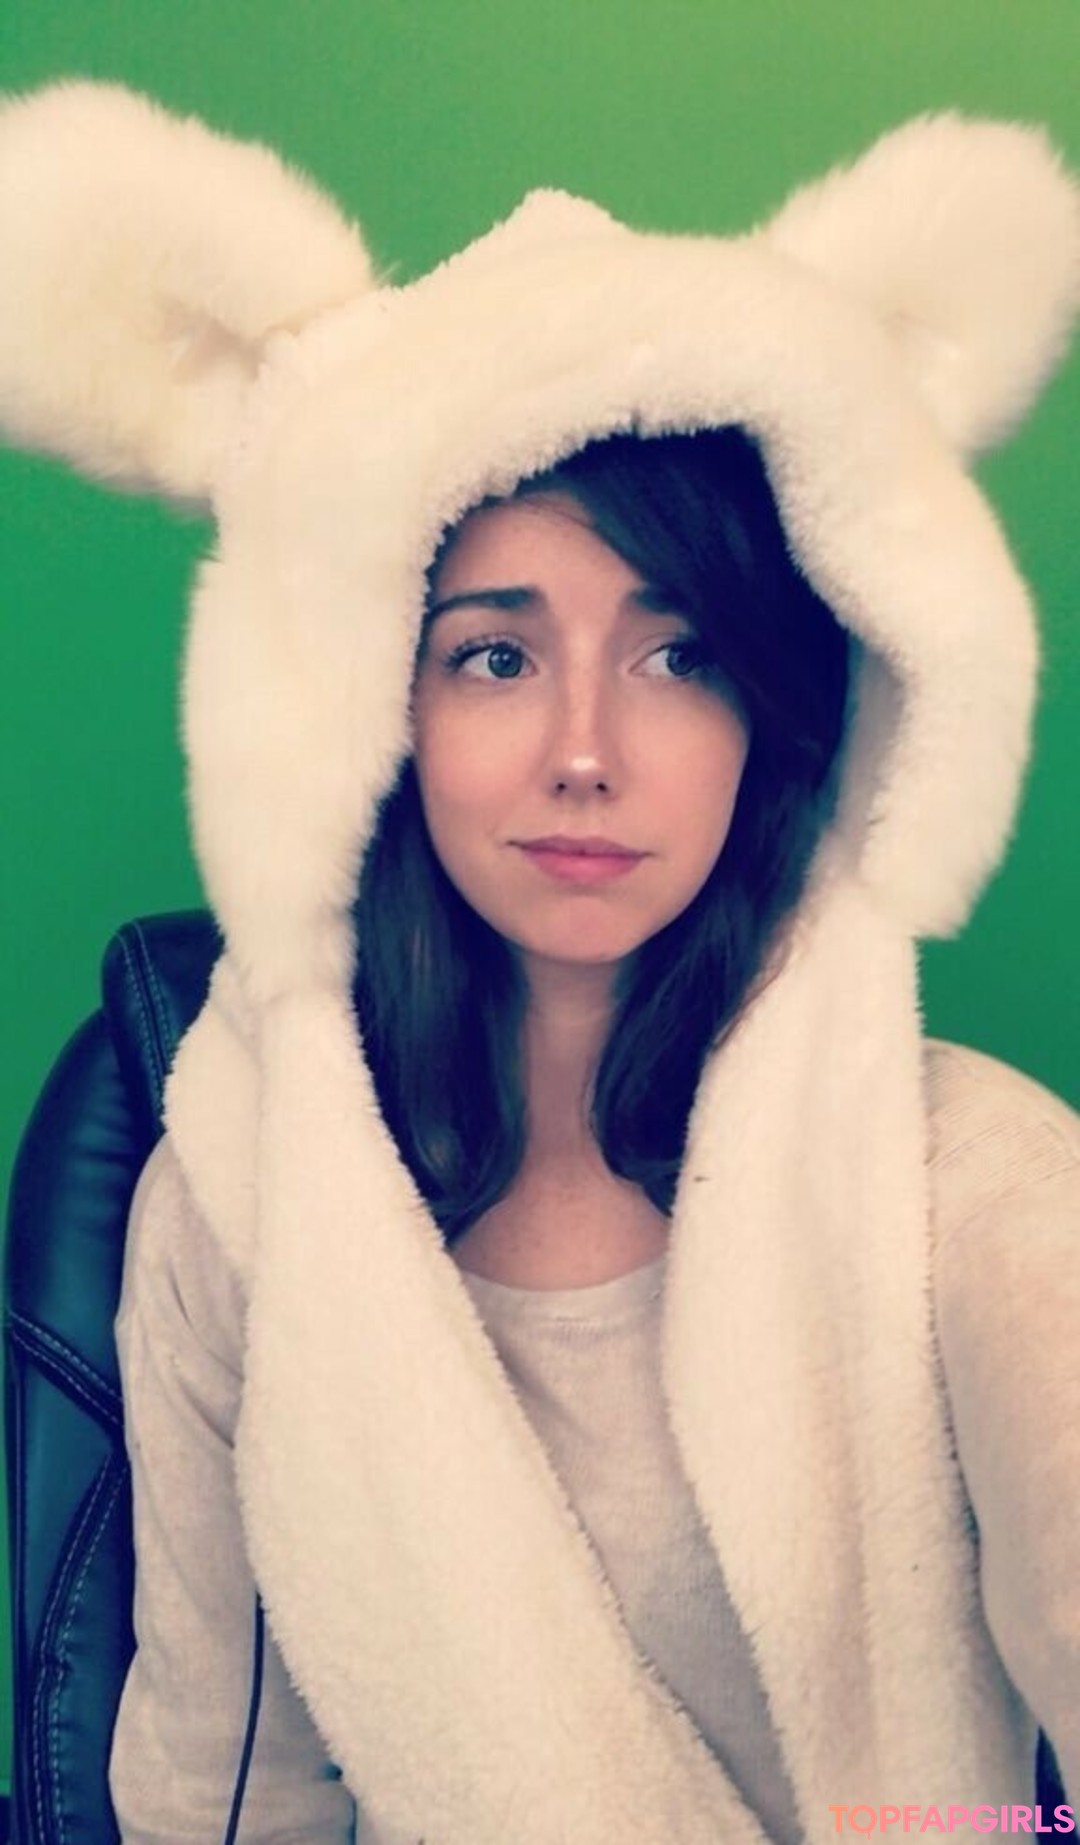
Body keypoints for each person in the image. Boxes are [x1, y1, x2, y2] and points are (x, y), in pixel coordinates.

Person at [0, 81, 1078, 1845]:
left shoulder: (975, 1182)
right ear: (376, 705)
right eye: (496, 656)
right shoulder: (240, 1210)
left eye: (678, 658)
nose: (585, 752)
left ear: (775, 719)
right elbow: (221, 1781)